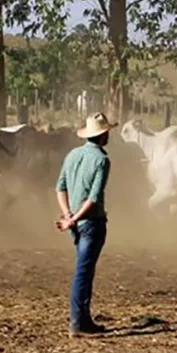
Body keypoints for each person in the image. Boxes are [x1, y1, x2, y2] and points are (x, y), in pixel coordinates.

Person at [55, 112, 116, 337]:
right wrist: (74, 217)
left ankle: (83, 318)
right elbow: (93, 197)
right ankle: (78, 322)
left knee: (84, 269)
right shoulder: (102, 159)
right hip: (91, 223)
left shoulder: (73, 155)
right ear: (103, 134)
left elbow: (60, 187)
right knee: (84, 271)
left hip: (75, 223)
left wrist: (68, 215)